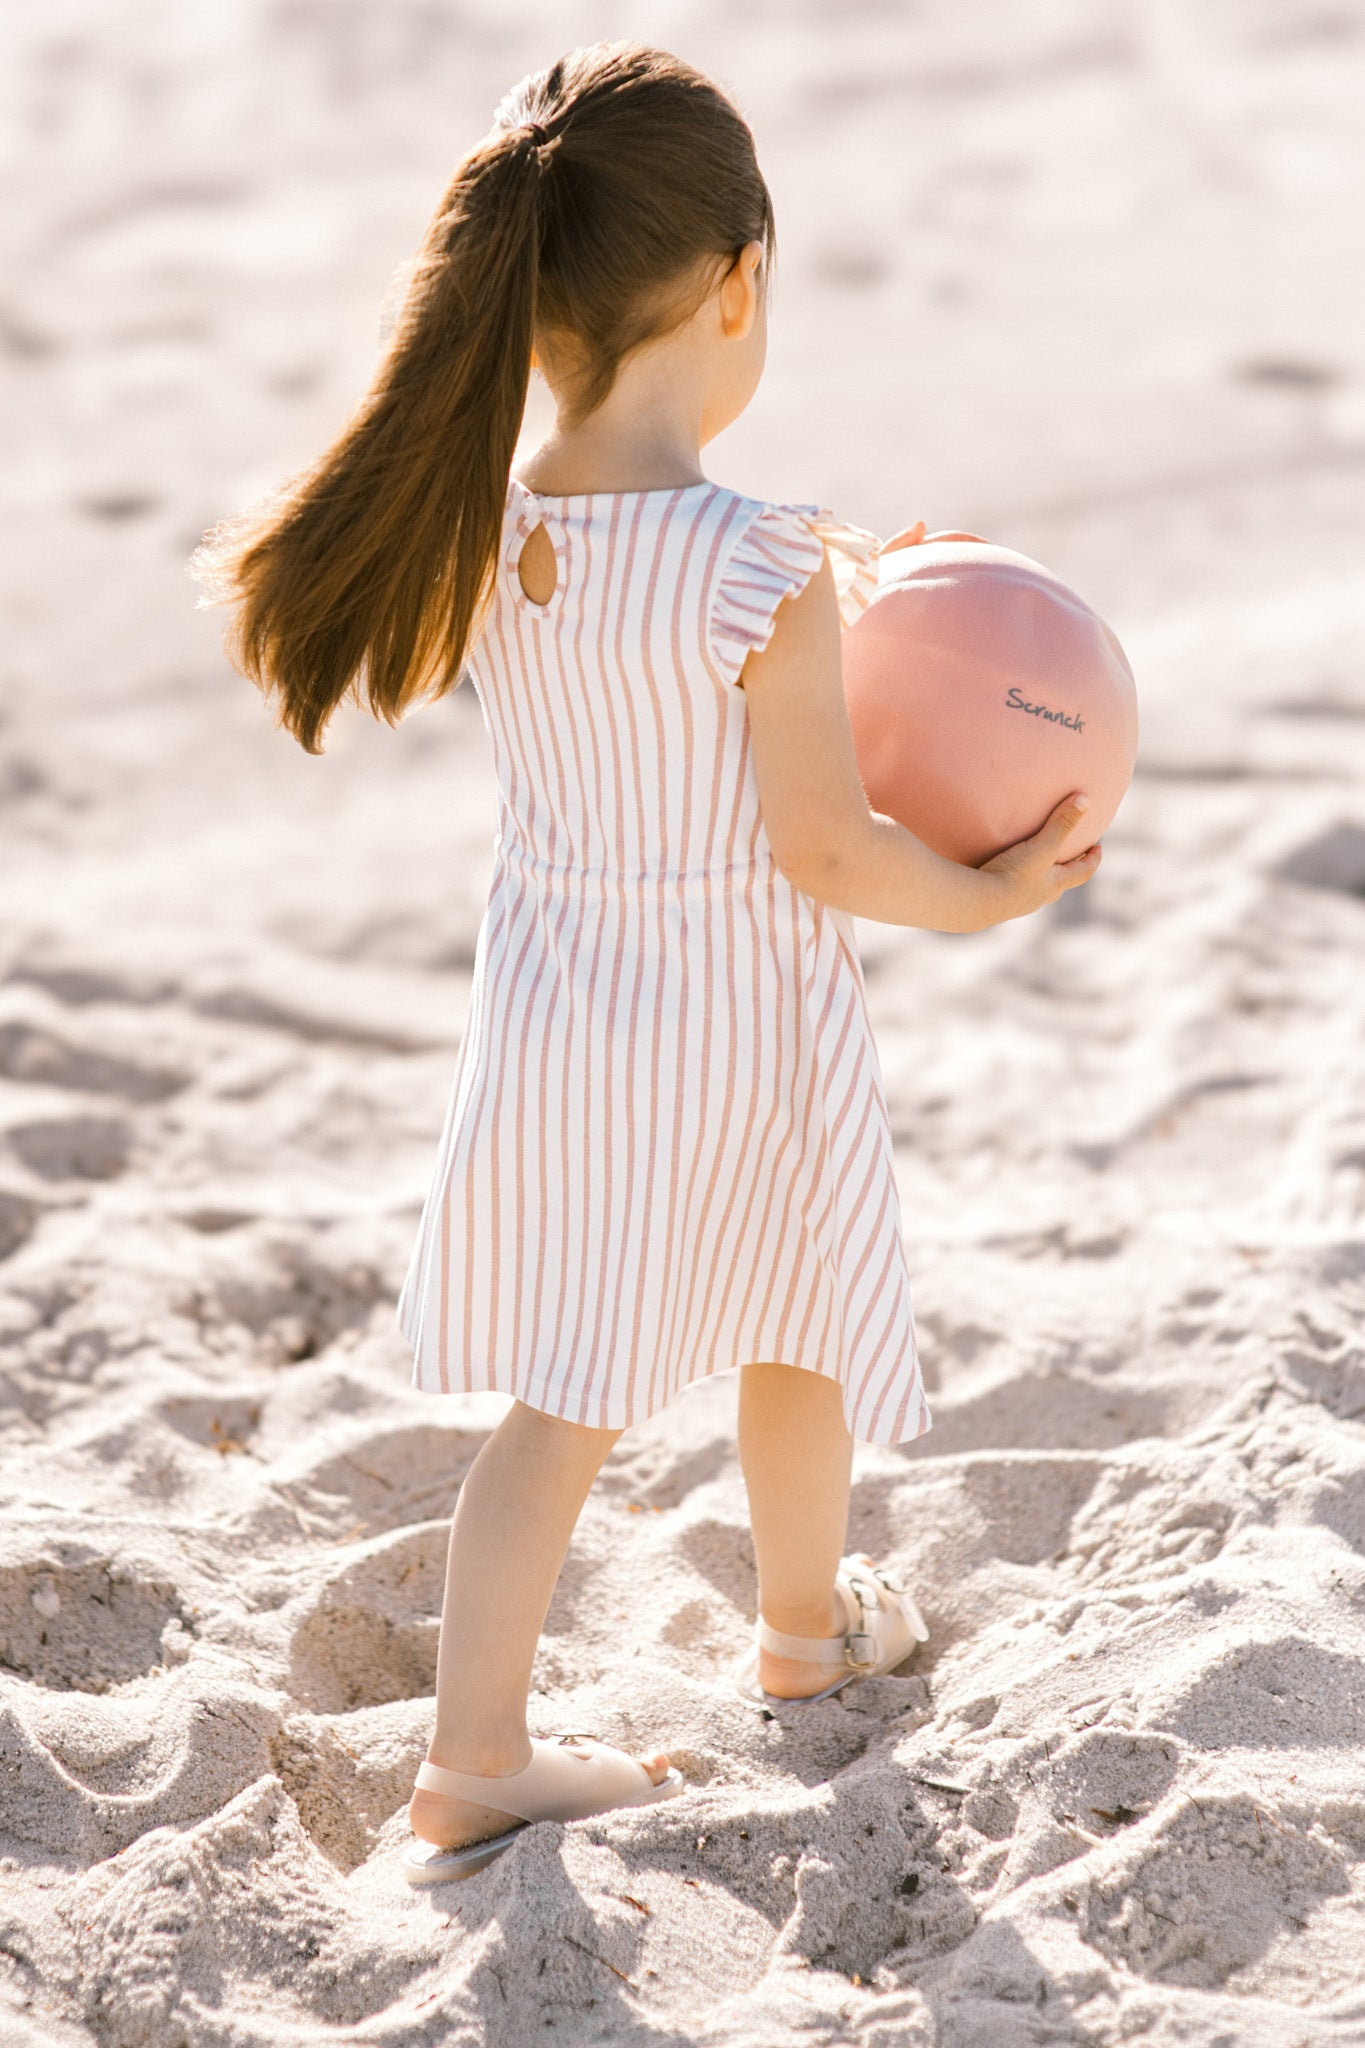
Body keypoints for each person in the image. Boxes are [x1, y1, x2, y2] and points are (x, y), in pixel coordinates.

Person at [192, 40, 1101, 1885]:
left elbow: (643, 661)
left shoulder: (490, 523)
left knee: (582, 1390)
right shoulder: (756, 562)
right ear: (738, 283)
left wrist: (874, 595)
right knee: (784, 1324)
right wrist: (992, 895)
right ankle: (587, 1714)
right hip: (733, 1024)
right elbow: (824, 844)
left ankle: (671, 1675)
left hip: (560, 1013)